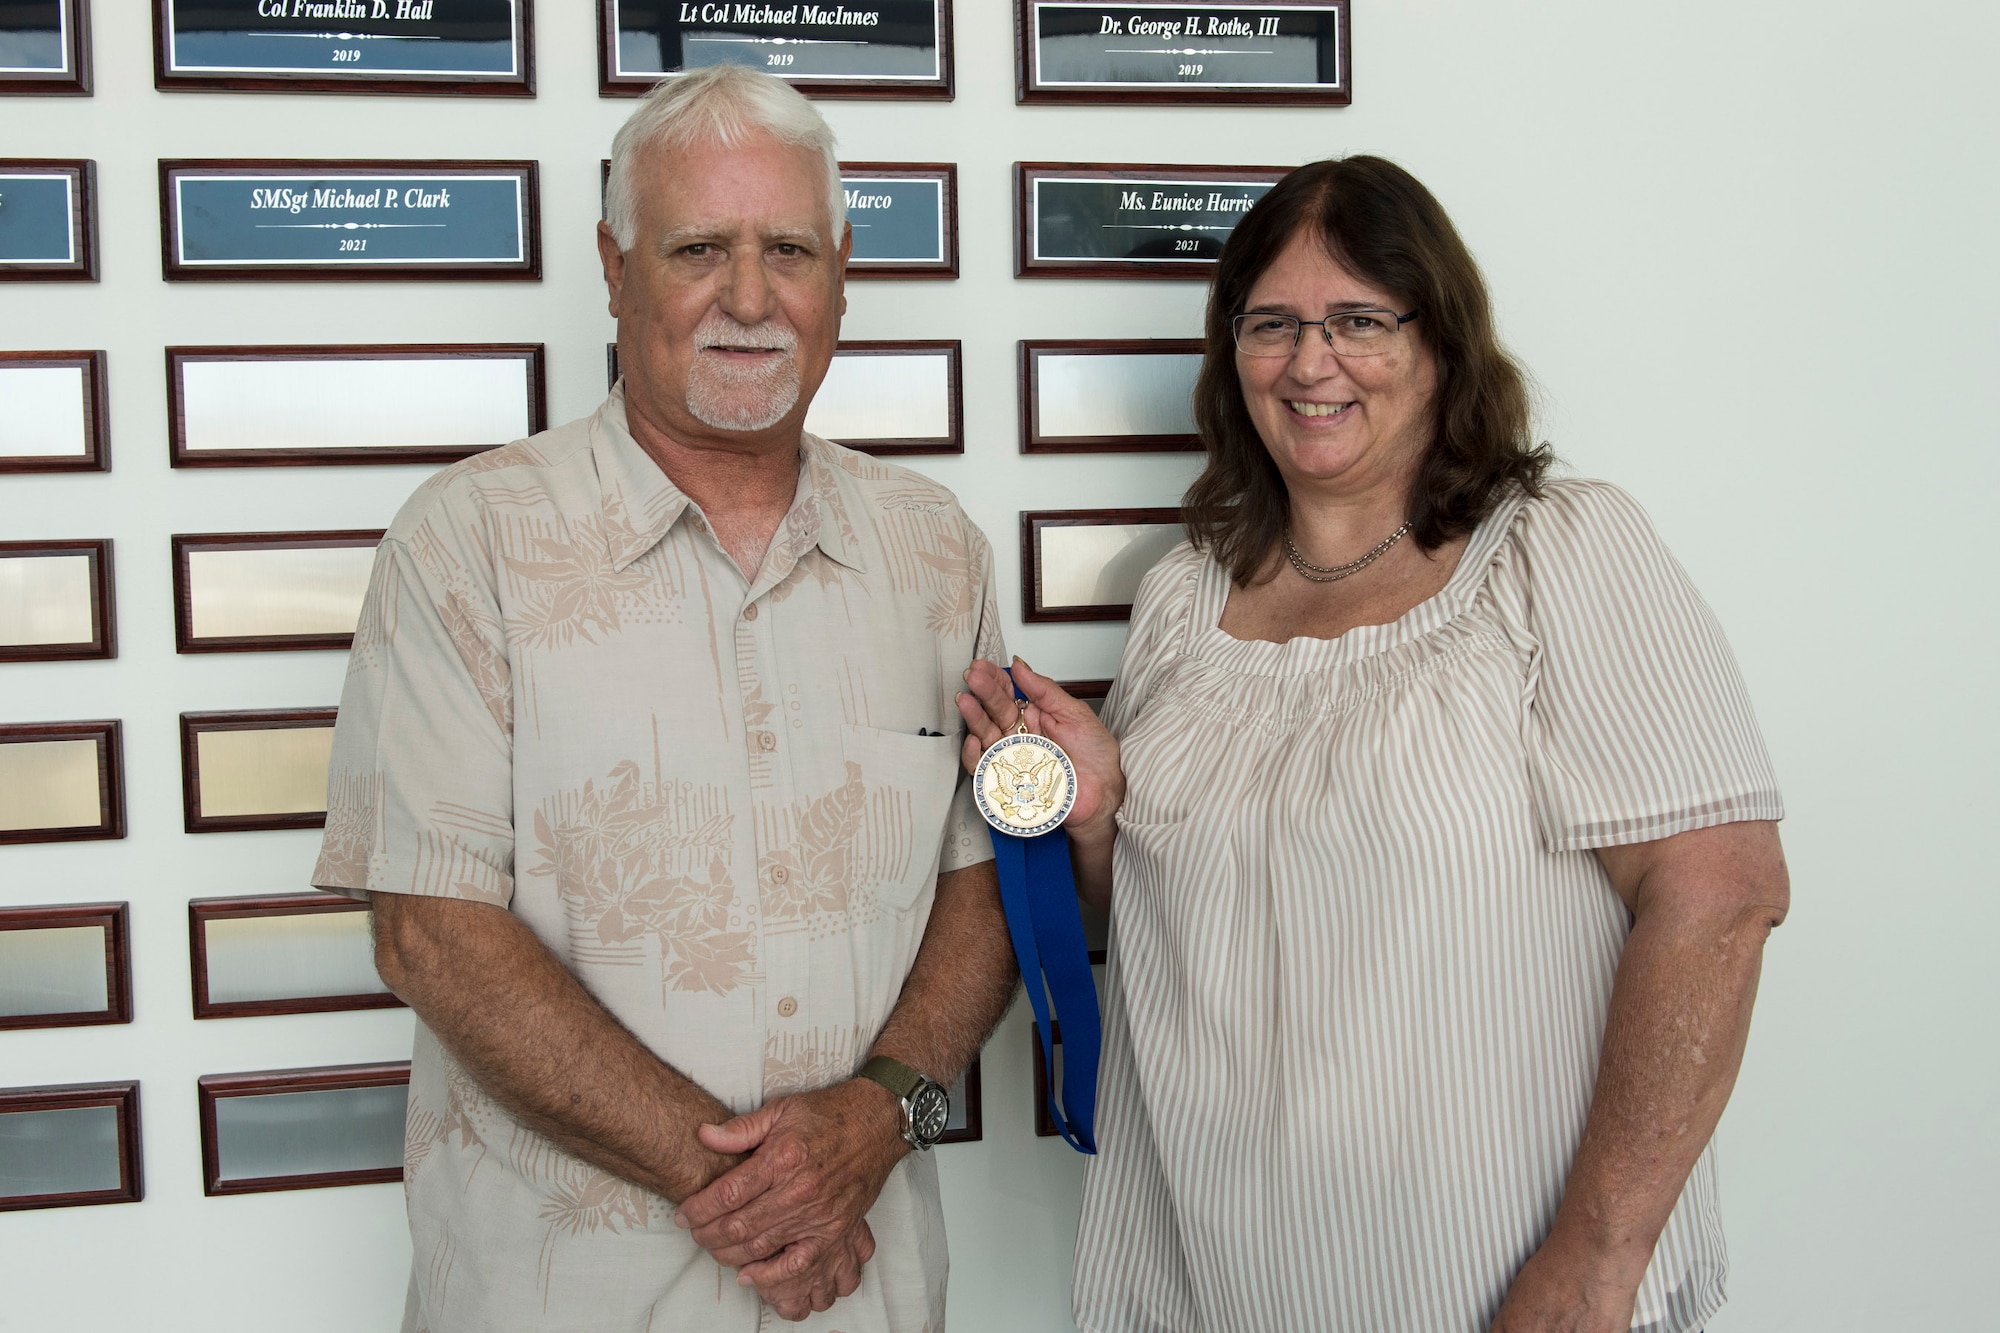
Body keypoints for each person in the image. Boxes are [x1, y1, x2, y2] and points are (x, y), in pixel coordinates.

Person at [958, 155, 1790, 1333]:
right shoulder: (1181, 601)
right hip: (1213, 1279)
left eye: (1357, 320)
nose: (1309, 363)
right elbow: (1153, 934)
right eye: (1272, 324)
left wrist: (1596, 1259)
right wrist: (1095, 819)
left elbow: (1719, 900)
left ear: (1440, 339)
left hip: (1499, 1285)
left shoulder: (1557, 554)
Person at [312, 65, 1017, 1332]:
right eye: (699, 248)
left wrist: (881, 1115)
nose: (748, 299)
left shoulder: (933, 551)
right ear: (612, 262)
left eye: (787, 249)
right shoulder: (468, 542)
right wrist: (757, 1195)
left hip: (869, 1295)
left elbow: (984, 888)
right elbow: (430, 932)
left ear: (842, 267)